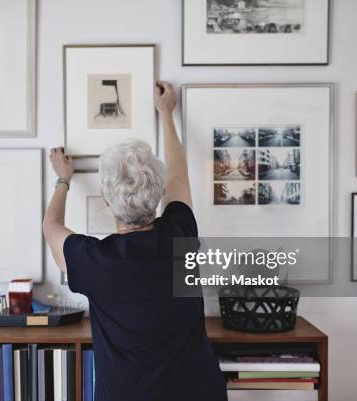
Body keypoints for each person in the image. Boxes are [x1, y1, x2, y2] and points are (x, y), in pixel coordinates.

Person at [44, 82, 228, 401]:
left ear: (105, 198)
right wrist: (166, 114)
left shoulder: (92, 261)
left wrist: (63, 179)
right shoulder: (179, 233)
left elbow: (51, 226)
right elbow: (178, 175)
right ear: (157, 194)